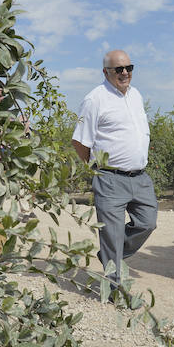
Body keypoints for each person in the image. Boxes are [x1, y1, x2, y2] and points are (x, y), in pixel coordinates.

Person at [72, 50, 157, 284]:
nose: (125, 73)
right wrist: (95, 167)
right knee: (111, 233)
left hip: (140, 177)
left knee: (147, 223)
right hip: (109, 177)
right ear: (105, 72)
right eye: (118, 69)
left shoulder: (136, 95)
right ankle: (114, 286)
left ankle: (111, 255)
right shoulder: (94, 99)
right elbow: (79, 141)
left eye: (129, 68)